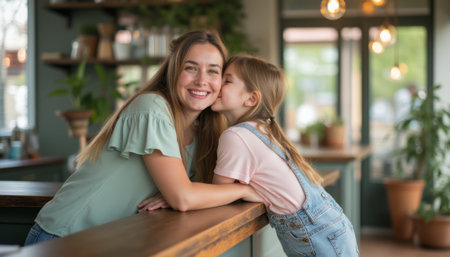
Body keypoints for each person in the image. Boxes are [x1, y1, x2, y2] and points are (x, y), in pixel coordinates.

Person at [24, 30, 261, 245]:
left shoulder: (203, 135)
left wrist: (180, 192)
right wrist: (244, 191)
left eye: (213, 71)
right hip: (64, 237)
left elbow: (189, 195)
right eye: (191, 67)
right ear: (173, 71)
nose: (201, 80)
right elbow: (184, 198)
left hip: (105, 242)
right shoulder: (152, 108)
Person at [210, 55, 359, 256]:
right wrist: (248, 191)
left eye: (226, 80)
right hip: (333, 229)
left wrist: (178, 194)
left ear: (251, 99)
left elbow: (217, 193)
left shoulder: (236, 136)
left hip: (318, 238)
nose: (216, 84)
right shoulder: (262, 130)